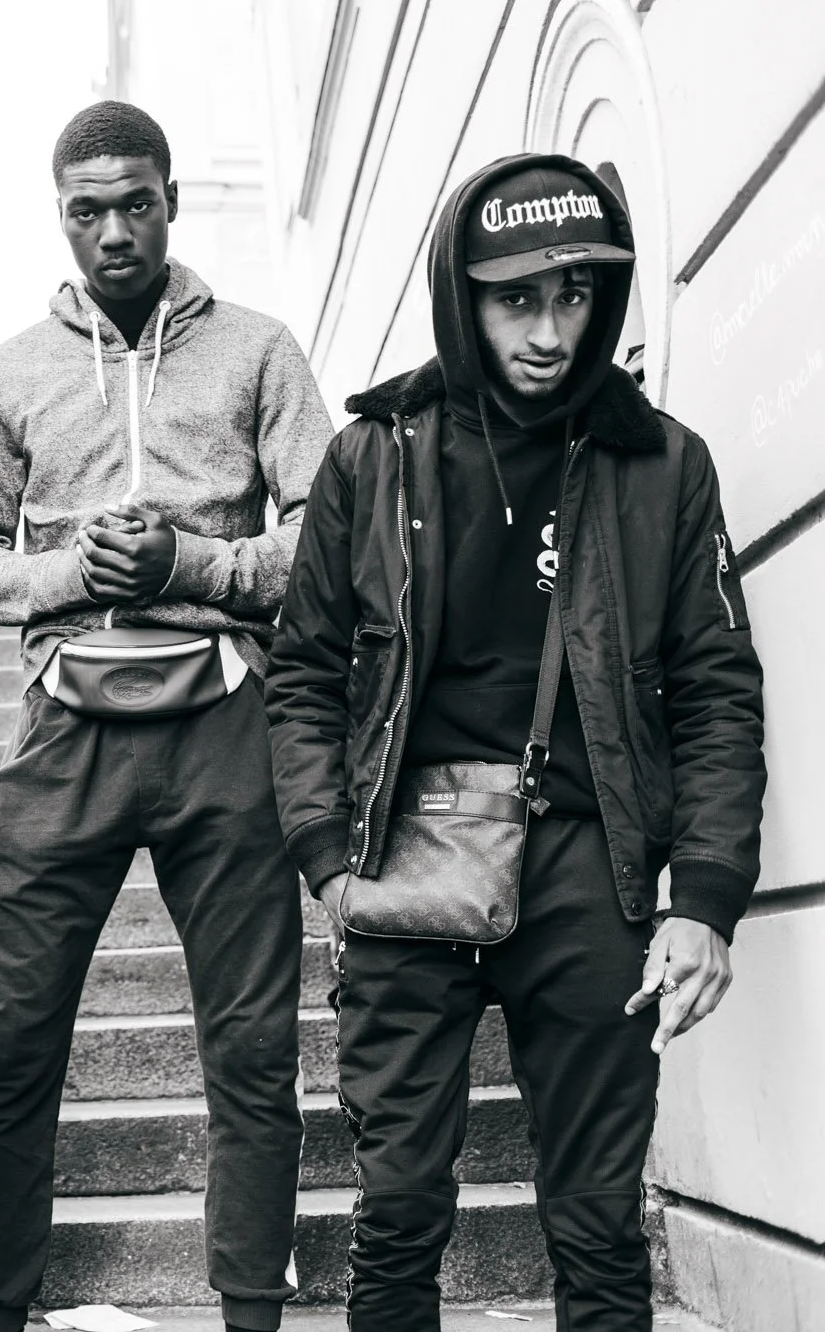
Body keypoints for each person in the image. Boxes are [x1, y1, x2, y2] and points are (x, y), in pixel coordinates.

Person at [264, 155, 767, 1329]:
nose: (547, 330)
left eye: (575, 296)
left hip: (590, 866)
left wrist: (704, 897)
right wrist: (324, 853)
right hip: (401, 851)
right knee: (393, 1218)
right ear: (462, 294)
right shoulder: (373, 455)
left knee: (595, 1223)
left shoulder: (663, 464)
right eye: (515, 299)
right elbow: (300, 671)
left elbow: (714, 689)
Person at [0, 101, 334, 1332]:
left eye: (135, 201)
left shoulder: (258, 348)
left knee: (253, 1052)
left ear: (170, 200)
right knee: (12, 1046)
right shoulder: (11, 371)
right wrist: (73, 577)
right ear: (58, 216)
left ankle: (248, 1314)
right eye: (85, 209)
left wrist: (187, 566)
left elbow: (328, 534)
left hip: (225, 721)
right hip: (67, 726)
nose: (112, 229)